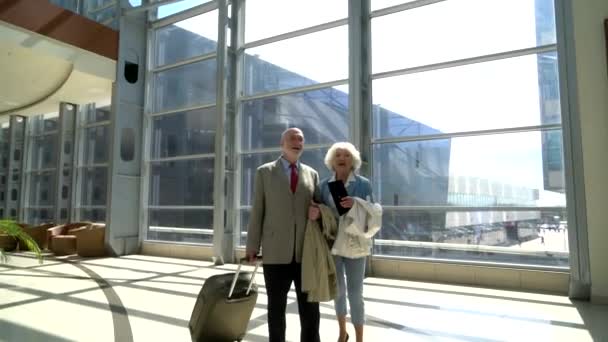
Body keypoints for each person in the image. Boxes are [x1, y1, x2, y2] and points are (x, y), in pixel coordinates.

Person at [245, 127, 321, 342]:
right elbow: (257, 211)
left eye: (301, 139)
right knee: (276, 308)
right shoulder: (264, 172)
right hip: (275, 252)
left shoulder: (312, 174)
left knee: (310, 309)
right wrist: (252, 246)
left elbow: (319, 208)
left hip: (306, 254)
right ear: (282, 144)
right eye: (292, 138)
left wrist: (318, 213)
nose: (297, 142)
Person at [309, 142, 381, 342]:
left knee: (356, 294)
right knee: (338, 291)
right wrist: (316, 211)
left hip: (355, 246)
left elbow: (373, 212)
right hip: (332, 246)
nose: (342, 158)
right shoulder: (323, 185)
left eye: (347, 155)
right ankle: (342, 333)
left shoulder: (363, 183)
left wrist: (356, 203)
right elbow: (320, 211)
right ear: (332, 160)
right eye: (338, 154)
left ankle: (359, 338)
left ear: (353, 161)